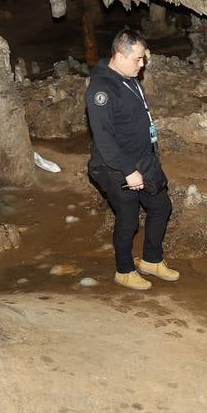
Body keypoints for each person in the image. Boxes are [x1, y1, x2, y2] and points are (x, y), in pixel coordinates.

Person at [86, 29, 177, 290]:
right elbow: (103, 139)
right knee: (128, 217)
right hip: (114, 166)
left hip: (142, 159)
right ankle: (124, 270)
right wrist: (128, 171)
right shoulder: (101, 89)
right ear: (119, 55)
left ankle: (151, 260)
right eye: (138, 59)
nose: (142, 64)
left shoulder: (128, 76)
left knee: (161, 206)